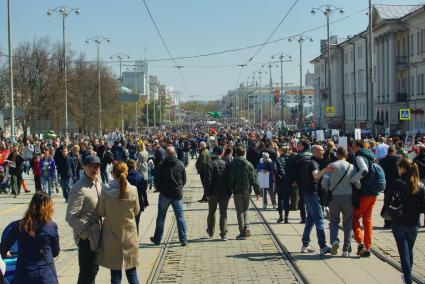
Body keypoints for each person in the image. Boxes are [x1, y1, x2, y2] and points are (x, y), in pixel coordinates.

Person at [0, 192, 59, 284]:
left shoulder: (18, 225)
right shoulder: (51, 226)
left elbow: (3, 248)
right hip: (45, 275)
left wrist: (6, 252)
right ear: (49, 208)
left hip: (24, 274)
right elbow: (55, 252)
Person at [97, 162, 140, 284]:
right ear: (126, 173)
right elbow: (136, 211)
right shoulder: (132, 190)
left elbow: (101, 211)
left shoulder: (105, 191)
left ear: (113, 174)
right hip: (129, 235)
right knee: (132, 274)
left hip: (111, 235)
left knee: (115, 275)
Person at [384, 158, 425, 284]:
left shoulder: (398, 183)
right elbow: (423, 207)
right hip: (413, 223)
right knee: (409, 250)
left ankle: (408, 279)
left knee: (404, 253)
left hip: (399, 221)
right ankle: (408, 276)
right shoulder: (420, 185)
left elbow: (387, 200)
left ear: (402, 169)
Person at [66, 154, 102, 284]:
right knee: (87, 273)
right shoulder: (79, 188)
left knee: (93, 271)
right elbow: (70, 216)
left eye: (98, 166)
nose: (96, 169)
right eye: (92, 167)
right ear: (84, 167)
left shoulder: (97, 182)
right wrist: (86, 233)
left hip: (98, 236)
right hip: (87, 239)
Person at [321, 147, 358, 257]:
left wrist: (328, 190)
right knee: (347, 223)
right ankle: (346, 249)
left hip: (334, 197)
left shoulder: (331, 166)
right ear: (346, 155)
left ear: (337, 155)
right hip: (348, 197)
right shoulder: (351, 166)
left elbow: (324, 183)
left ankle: (334, 241)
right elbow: (357, 183)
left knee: (333, 221)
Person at [299, 144, 334, 255]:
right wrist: (326, 170)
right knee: (319, 220)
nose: (323, 152)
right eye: (321, 150)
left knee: (310, 220)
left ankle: (305, 244)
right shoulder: (313, 163)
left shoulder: (314, 162)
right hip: (312, 194)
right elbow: (316, 176)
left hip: (309, 194)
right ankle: (323, 246)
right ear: (315, 152)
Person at [150, 147, 188, 246]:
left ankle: (158, 239)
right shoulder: (180, 163)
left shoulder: (161, 164)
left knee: (161, 217)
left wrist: (161, 189)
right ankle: (183, 239)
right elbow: (184, 180)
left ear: (166, 154)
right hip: (177, 194)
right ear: (174, 153)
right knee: (180, 217)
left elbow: (157, 180)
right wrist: (179, 188)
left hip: (165, 195)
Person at [351, 139, 379, 257]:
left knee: (355, 218)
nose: (351, 148)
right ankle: (368, 246)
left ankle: (361, 244)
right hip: (373, 192)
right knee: (367, 219)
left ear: (358, 146)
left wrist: (353, 179)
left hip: (363, 193)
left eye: (353, 146)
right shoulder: (371, 156)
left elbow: (364, 170)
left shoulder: (359, 157)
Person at [227, 146, 260, 239]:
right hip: (246, 190)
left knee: (239, 211)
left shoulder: (233, 164)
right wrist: (257, 191)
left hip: (237, 191)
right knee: (246, 210)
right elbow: (254, 179)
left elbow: (230, 178)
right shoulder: (248, 164)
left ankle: (242, 232)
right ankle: (247, 228)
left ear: (236, 154)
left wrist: (230, 188)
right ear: (244, 153)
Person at [205, 146, 231, 241]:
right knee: (223, 213)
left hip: (213, 192)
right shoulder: (226, 164)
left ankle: (211, 231)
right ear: (221, 153)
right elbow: (229, 179)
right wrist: (230, 191)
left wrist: (206, 194)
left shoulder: (210, 164)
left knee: (212, 212)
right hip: (225, 192)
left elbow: (208, 180)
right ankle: (223, 233)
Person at [379, 146, 401, 228]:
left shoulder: (382, 160)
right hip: (396, 183)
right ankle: (395, 221)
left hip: (386, 183)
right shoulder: (398, 159)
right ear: (394, 151)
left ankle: (387, 222)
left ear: (387, 152)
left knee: (387, 201)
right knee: (397, 202)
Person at [127, 159, 149, 234]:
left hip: (126, 201)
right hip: (138, 201)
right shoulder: (139, 176)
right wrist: (145, 202)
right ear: (135, 166)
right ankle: (136, 238)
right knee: (136, 221)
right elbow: (143, 192)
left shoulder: (124, 176)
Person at [274, 145, 294, 223]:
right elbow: (293, 171)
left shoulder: (277, 159)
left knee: (280, 199)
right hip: (288, 182)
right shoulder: (291, 159)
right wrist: (292, 180)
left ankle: (280, 216)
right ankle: (286, 217)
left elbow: (275, 169)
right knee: (287, 200)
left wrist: (279, 175)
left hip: (280, 182)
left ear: (282, 151)